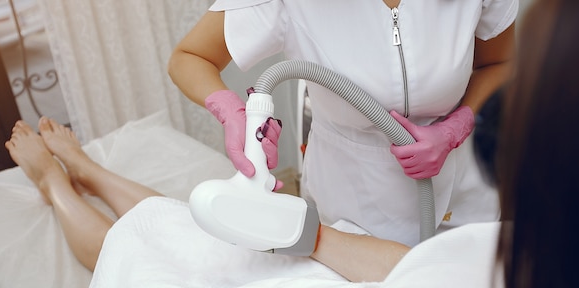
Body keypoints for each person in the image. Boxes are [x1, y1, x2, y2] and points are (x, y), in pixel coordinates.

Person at [7, 0, 579, 288]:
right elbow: (427, 271)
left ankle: (58, 183)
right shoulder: (503, 266)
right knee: (198, 233)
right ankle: (88, 170)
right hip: (345, 265)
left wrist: (457, 125)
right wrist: (301, 228)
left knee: (146, 260)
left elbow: (500, 58)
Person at [167, 0, 518, 247]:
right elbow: (190, 58)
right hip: (356, 203)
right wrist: (233, 112)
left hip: (465, 190)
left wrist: (455, 128)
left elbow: (498, 63)